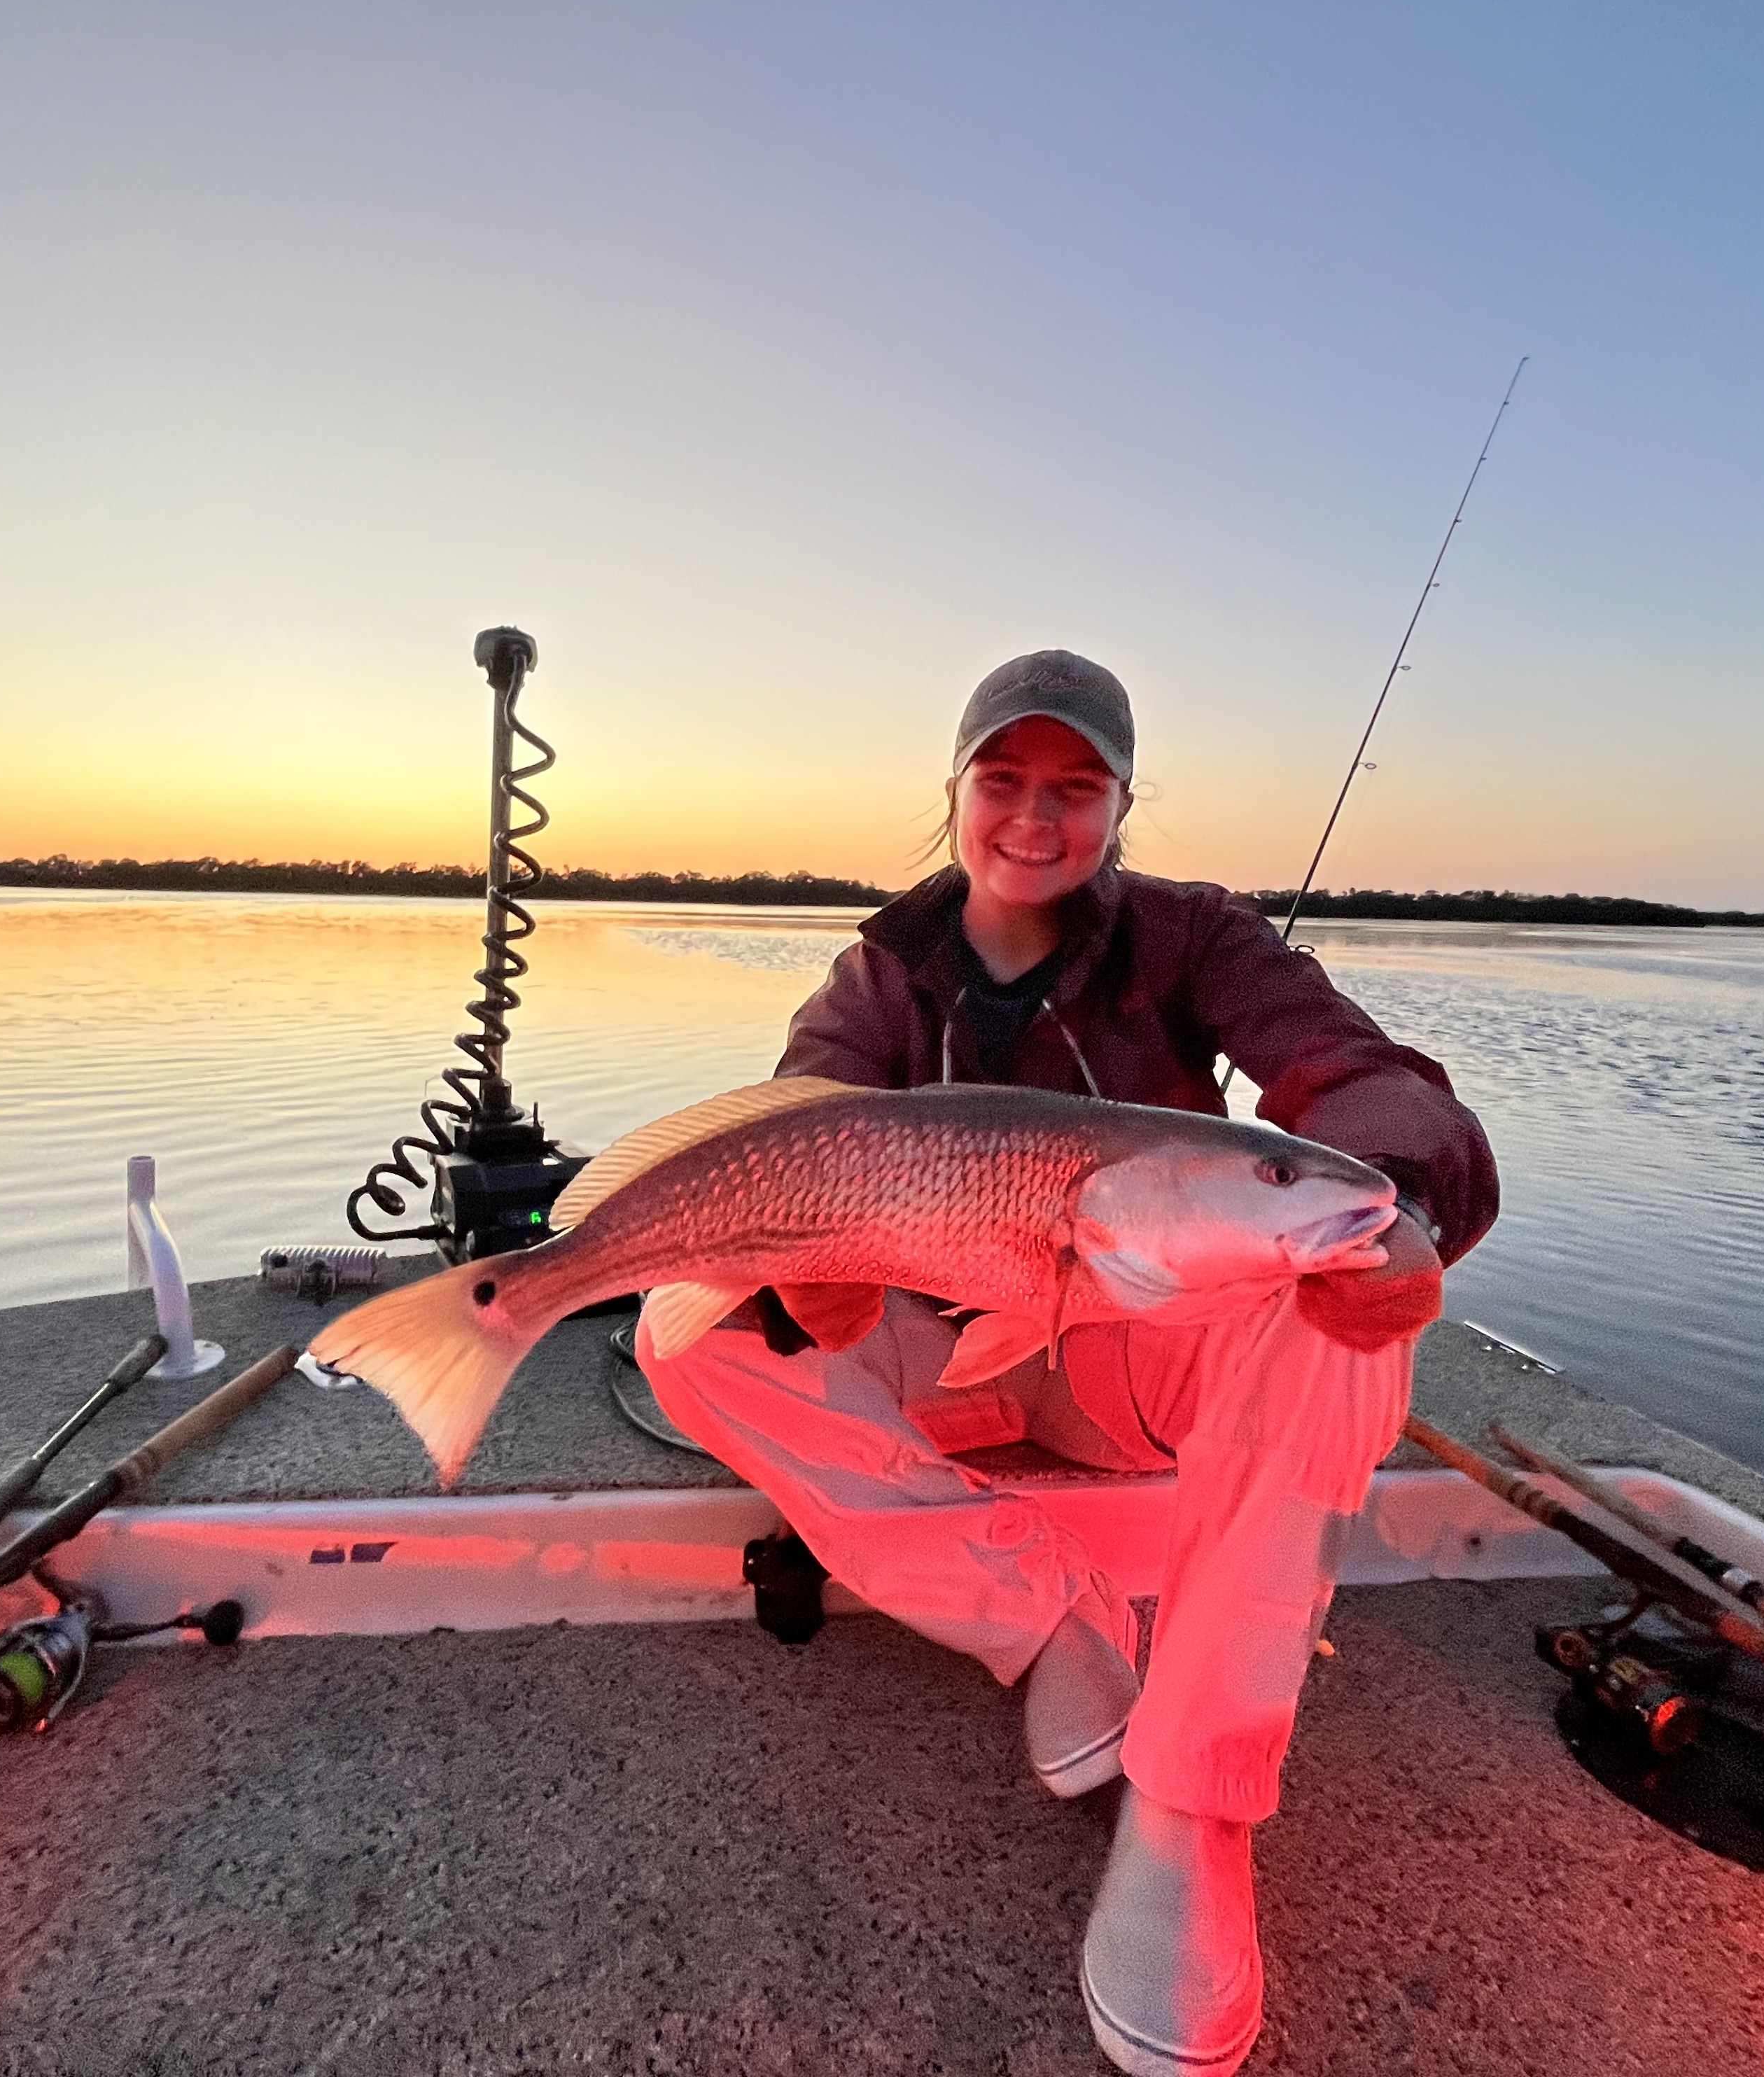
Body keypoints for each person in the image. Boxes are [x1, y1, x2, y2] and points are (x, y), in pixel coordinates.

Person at [635, 650, 1497, 2077]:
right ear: (959, 791)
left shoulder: (1198, 941)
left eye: (1077, 789)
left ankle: (1193, 1800)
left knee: (1340, 1288)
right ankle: (1044, 1619)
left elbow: (1359, 1072)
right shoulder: (877, 974)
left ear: (1120, 807)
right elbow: (808, 1124)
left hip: (1126, 1363)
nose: (1037, 820)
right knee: (686, 1325)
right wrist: (811, 1279)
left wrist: (1401, 1195)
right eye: (1006, 781)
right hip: (954, 1352)